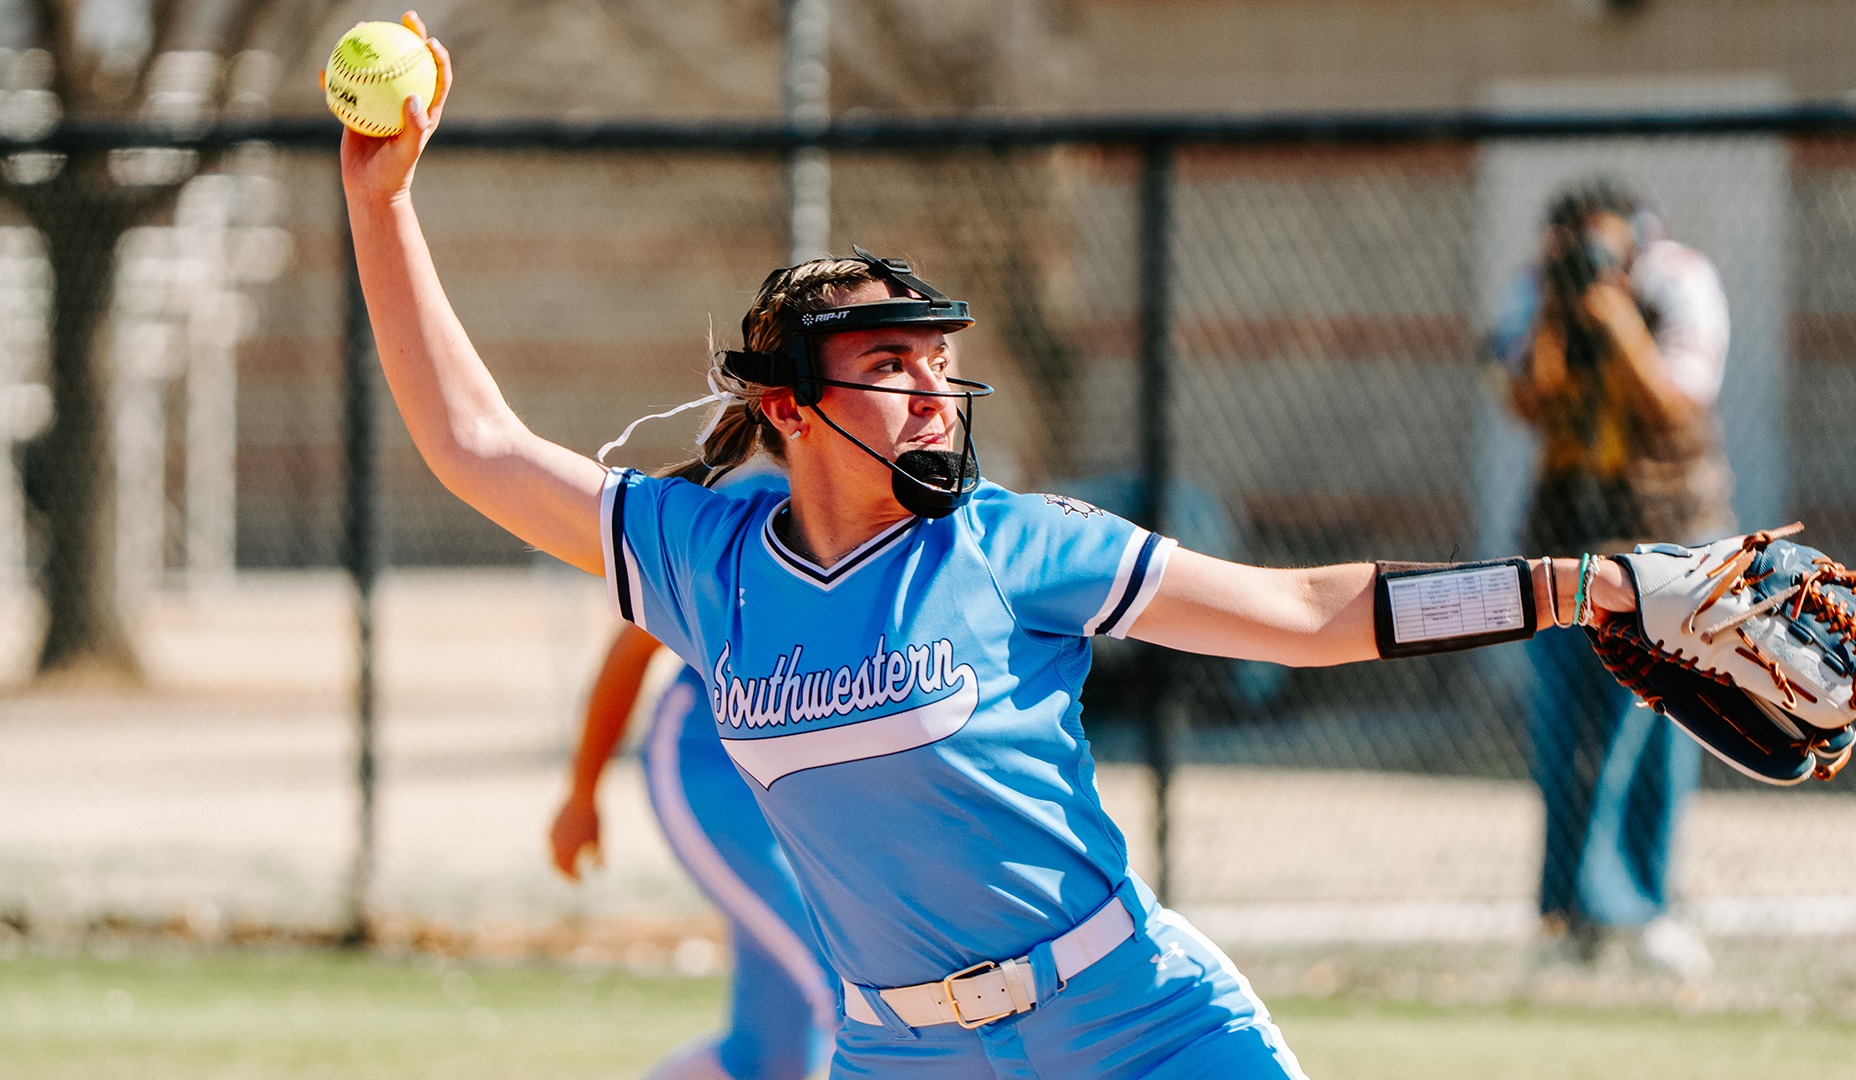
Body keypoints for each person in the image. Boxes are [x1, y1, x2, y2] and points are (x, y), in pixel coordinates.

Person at [343, 16, 1642, 1076]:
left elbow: (1306, 614)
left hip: (1133, 1023)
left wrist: (1587, 587)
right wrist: (381, 204)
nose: (930, 387)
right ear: (787, 403)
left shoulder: (1012, 545)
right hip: (899, 1055)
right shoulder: (710, 561)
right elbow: (474, 445)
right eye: (889, 360)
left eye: (939, 359)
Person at [1490, 177, 1736, 981]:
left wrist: (1616, 317)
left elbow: (1677, 403)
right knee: (1562, 736)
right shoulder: (1540, 294)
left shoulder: (1676, 283)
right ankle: (1567, 916)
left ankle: (1650, 906)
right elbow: (1527, 398)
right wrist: (1561, 313)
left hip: (1663, 546)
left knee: (1657, 723)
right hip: (1563, 547)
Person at [549, 460, 834, 1080]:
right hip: (708, 770)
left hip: (796, 795)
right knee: (846, 984)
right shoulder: (756, 511)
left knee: (771, 1056)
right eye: (887, 363)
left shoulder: (908, 517)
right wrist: (581, 795)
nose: (926, 397)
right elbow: (631, 648)